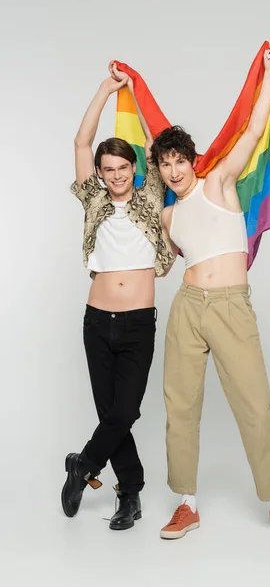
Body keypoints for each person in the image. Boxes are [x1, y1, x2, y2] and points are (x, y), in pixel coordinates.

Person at [151, 42, 270, 542]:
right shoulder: (168, 215)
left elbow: (254, 130)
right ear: (158, 170)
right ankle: (186, 503)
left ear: (192, 160)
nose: (173, 171)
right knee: (180, 405)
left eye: (178, 161)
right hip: (188, 308)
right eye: (164, 165)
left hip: (231, 307)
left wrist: (269, 75)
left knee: (254, 403)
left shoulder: (218, 181)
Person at [61, 70, 174, 530]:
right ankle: (129, 494)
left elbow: (157, 141)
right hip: (96, 320)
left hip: (136, 323)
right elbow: (80, 144)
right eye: (107, 170)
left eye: (121, 168)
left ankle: (83, 465)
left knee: (126, 409)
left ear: (134, 168)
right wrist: (105, 91)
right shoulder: (94, 200)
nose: (114, 176)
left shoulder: (150, 194)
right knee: (112, 414)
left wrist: (136, 91)